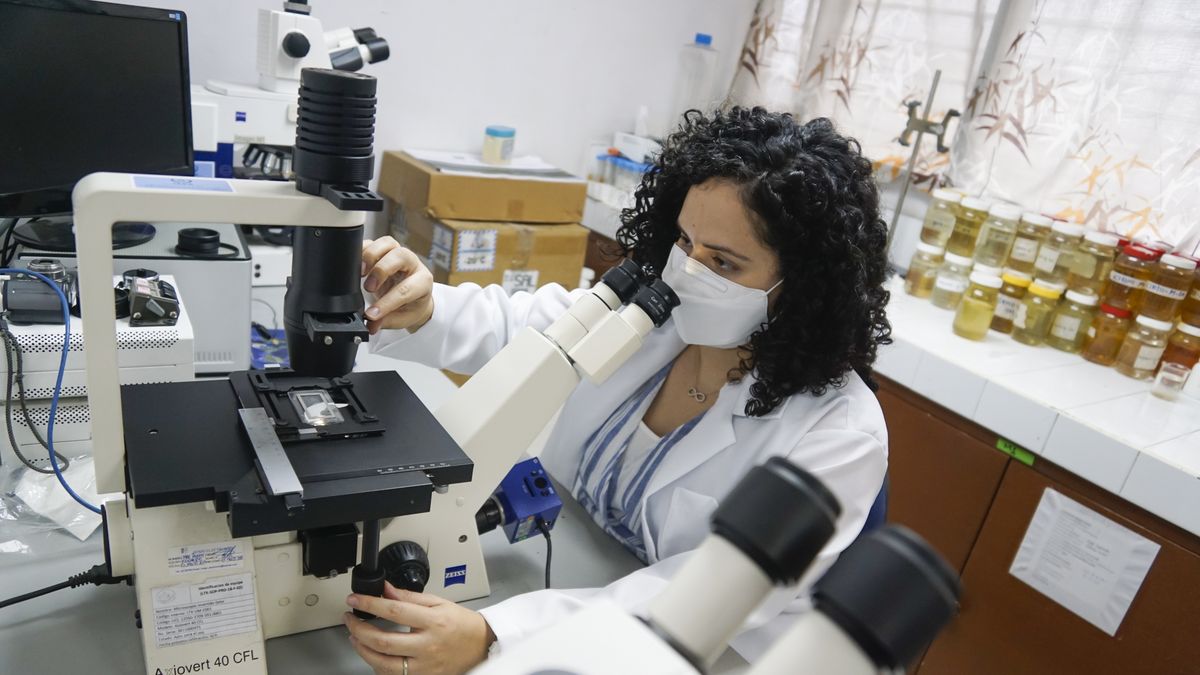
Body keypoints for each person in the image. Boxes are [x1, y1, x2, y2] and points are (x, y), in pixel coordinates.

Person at [345, 107, 892, 675]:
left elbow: (701, 596)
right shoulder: (653, 320)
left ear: (803, 287)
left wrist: (496, 636)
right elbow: (522, 331)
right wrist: (423, 309)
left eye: (723, 263)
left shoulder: (839, 434)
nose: (687, 271)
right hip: (568, 576)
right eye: (684, 240)